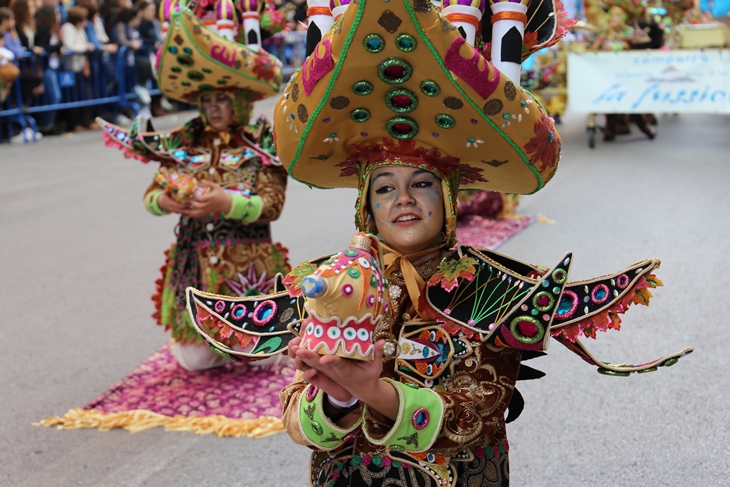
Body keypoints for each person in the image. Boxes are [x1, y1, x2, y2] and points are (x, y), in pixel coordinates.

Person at [185, 0, 691, 484]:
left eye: (421, 184)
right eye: (385, 188)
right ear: (366, 203)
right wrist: (336, 399)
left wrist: (375, 392)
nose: (403, 200)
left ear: (447, 196)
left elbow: (476, 413)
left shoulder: (489, 288)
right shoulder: (327, 284)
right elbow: (297, 417)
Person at [96, 4, 290, 371]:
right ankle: (212, 338)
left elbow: (272, 204)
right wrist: (166, 201)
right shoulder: (185, 138)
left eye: (222, 100)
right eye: (208, 101)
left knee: (262, 357)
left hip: (247, 267)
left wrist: (225, 202)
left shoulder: (261, 139)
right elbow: (151, 196)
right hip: (194, 267)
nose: (214, 109)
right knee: (195, 361)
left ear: (239, 101)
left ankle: (251, 337)